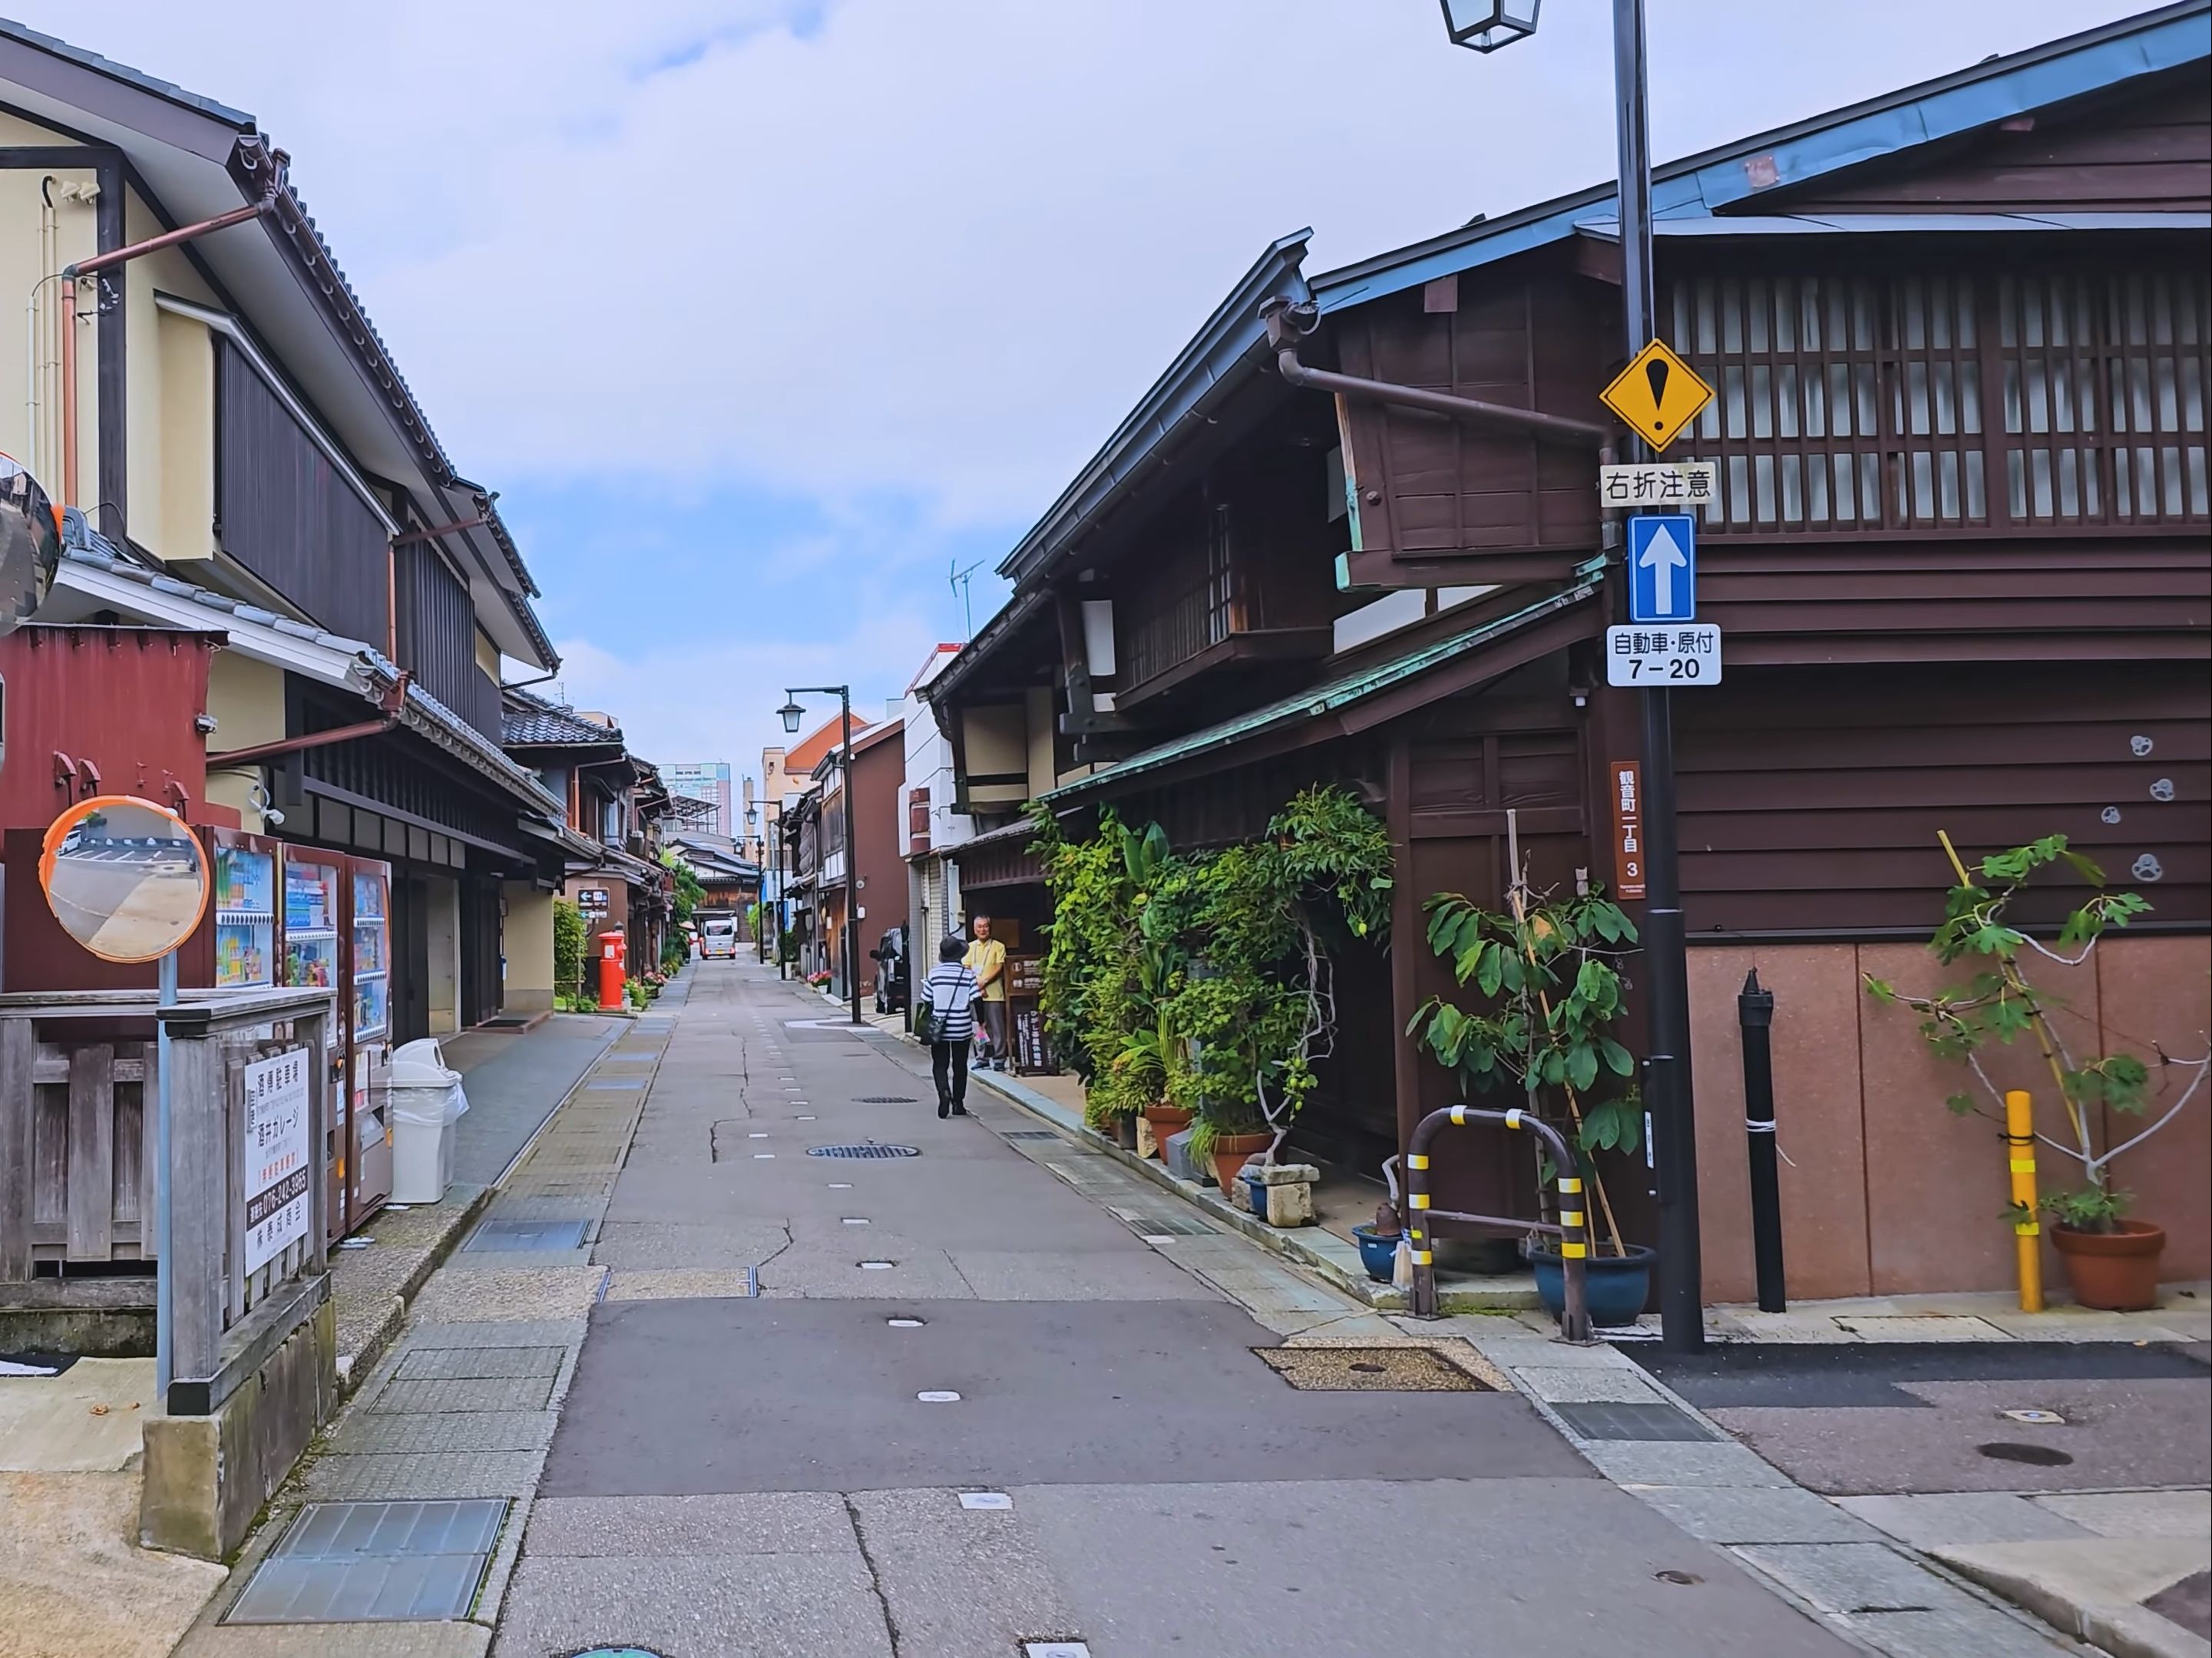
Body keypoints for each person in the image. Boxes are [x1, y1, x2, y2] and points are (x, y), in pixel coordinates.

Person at [918, 936, 978, 1117]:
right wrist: (980, 1022)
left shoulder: (934, 974)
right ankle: (958, 1104)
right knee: (960, 1065)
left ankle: (944, 1092)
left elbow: (926, 999)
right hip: (962, 1026)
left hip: (939, 1026)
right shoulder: (968, 974)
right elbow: (977, 1000)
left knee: (940, 1065)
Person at [963, 914, 1009, 1071]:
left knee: (997, 1027)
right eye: (979, 927)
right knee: (978, 1027)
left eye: (985, 926)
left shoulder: (998, 946)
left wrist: (984, 982)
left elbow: (999, 967)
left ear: (990, 928)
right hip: (975, 994)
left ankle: (999, 1058)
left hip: (994, 993)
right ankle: (982, 1057)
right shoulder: (969, 947)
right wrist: (978, 986)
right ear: (974, 930)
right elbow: (967, 967)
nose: (982, 929)